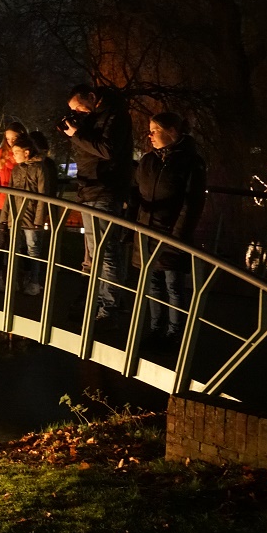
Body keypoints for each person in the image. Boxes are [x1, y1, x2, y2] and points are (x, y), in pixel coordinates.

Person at [130, 112, 207, 351]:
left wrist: (178, 238)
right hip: (146, 232)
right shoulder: (148, 160)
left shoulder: (191, 162)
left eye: (155, 130)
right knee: (153, 284)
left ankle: (175, 335)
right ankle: (156, 330)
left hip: (172, 235)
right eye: (149, 129)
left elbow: (191, 204)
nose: (149, 135)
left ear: (172, 131)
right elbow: (136, 194)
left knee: (173, 285)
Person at [61, 84, 134, 325]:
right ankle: (100, 302)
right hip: (90, 188)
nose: (77, 112)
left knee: (105, 251)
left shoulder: (115, 115)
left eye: (78, 107)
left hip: (104, 187)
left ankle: (108, 307)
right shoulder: (97, 117)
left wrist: (77, 134)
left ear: (92, 98)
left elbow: (107, 150)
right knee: (94, 252)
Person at [5, 133, 57, 296]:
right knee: (14, 249)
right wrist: (5, 216)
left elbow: (43, 195)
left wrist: (39, 220)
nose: (14, 156)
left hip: (31, 218)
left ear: (27, 152)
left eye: (16, 152)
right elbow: (9, 194)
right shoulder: (16, 170)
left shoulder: (40, 169)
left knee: (33, 249)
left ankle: (34, 281)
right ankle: (13, 280)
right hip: (16, 217)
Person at [0, 122, 24, 291]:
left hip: (19, 204)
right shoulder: (1, 153)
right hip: (2, 203)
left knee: (17, 241)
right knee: (1, 239)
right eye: (7, 138)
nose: (10, 141)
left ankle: (15, 277)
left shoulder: (24, 154)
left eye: (14, 138)